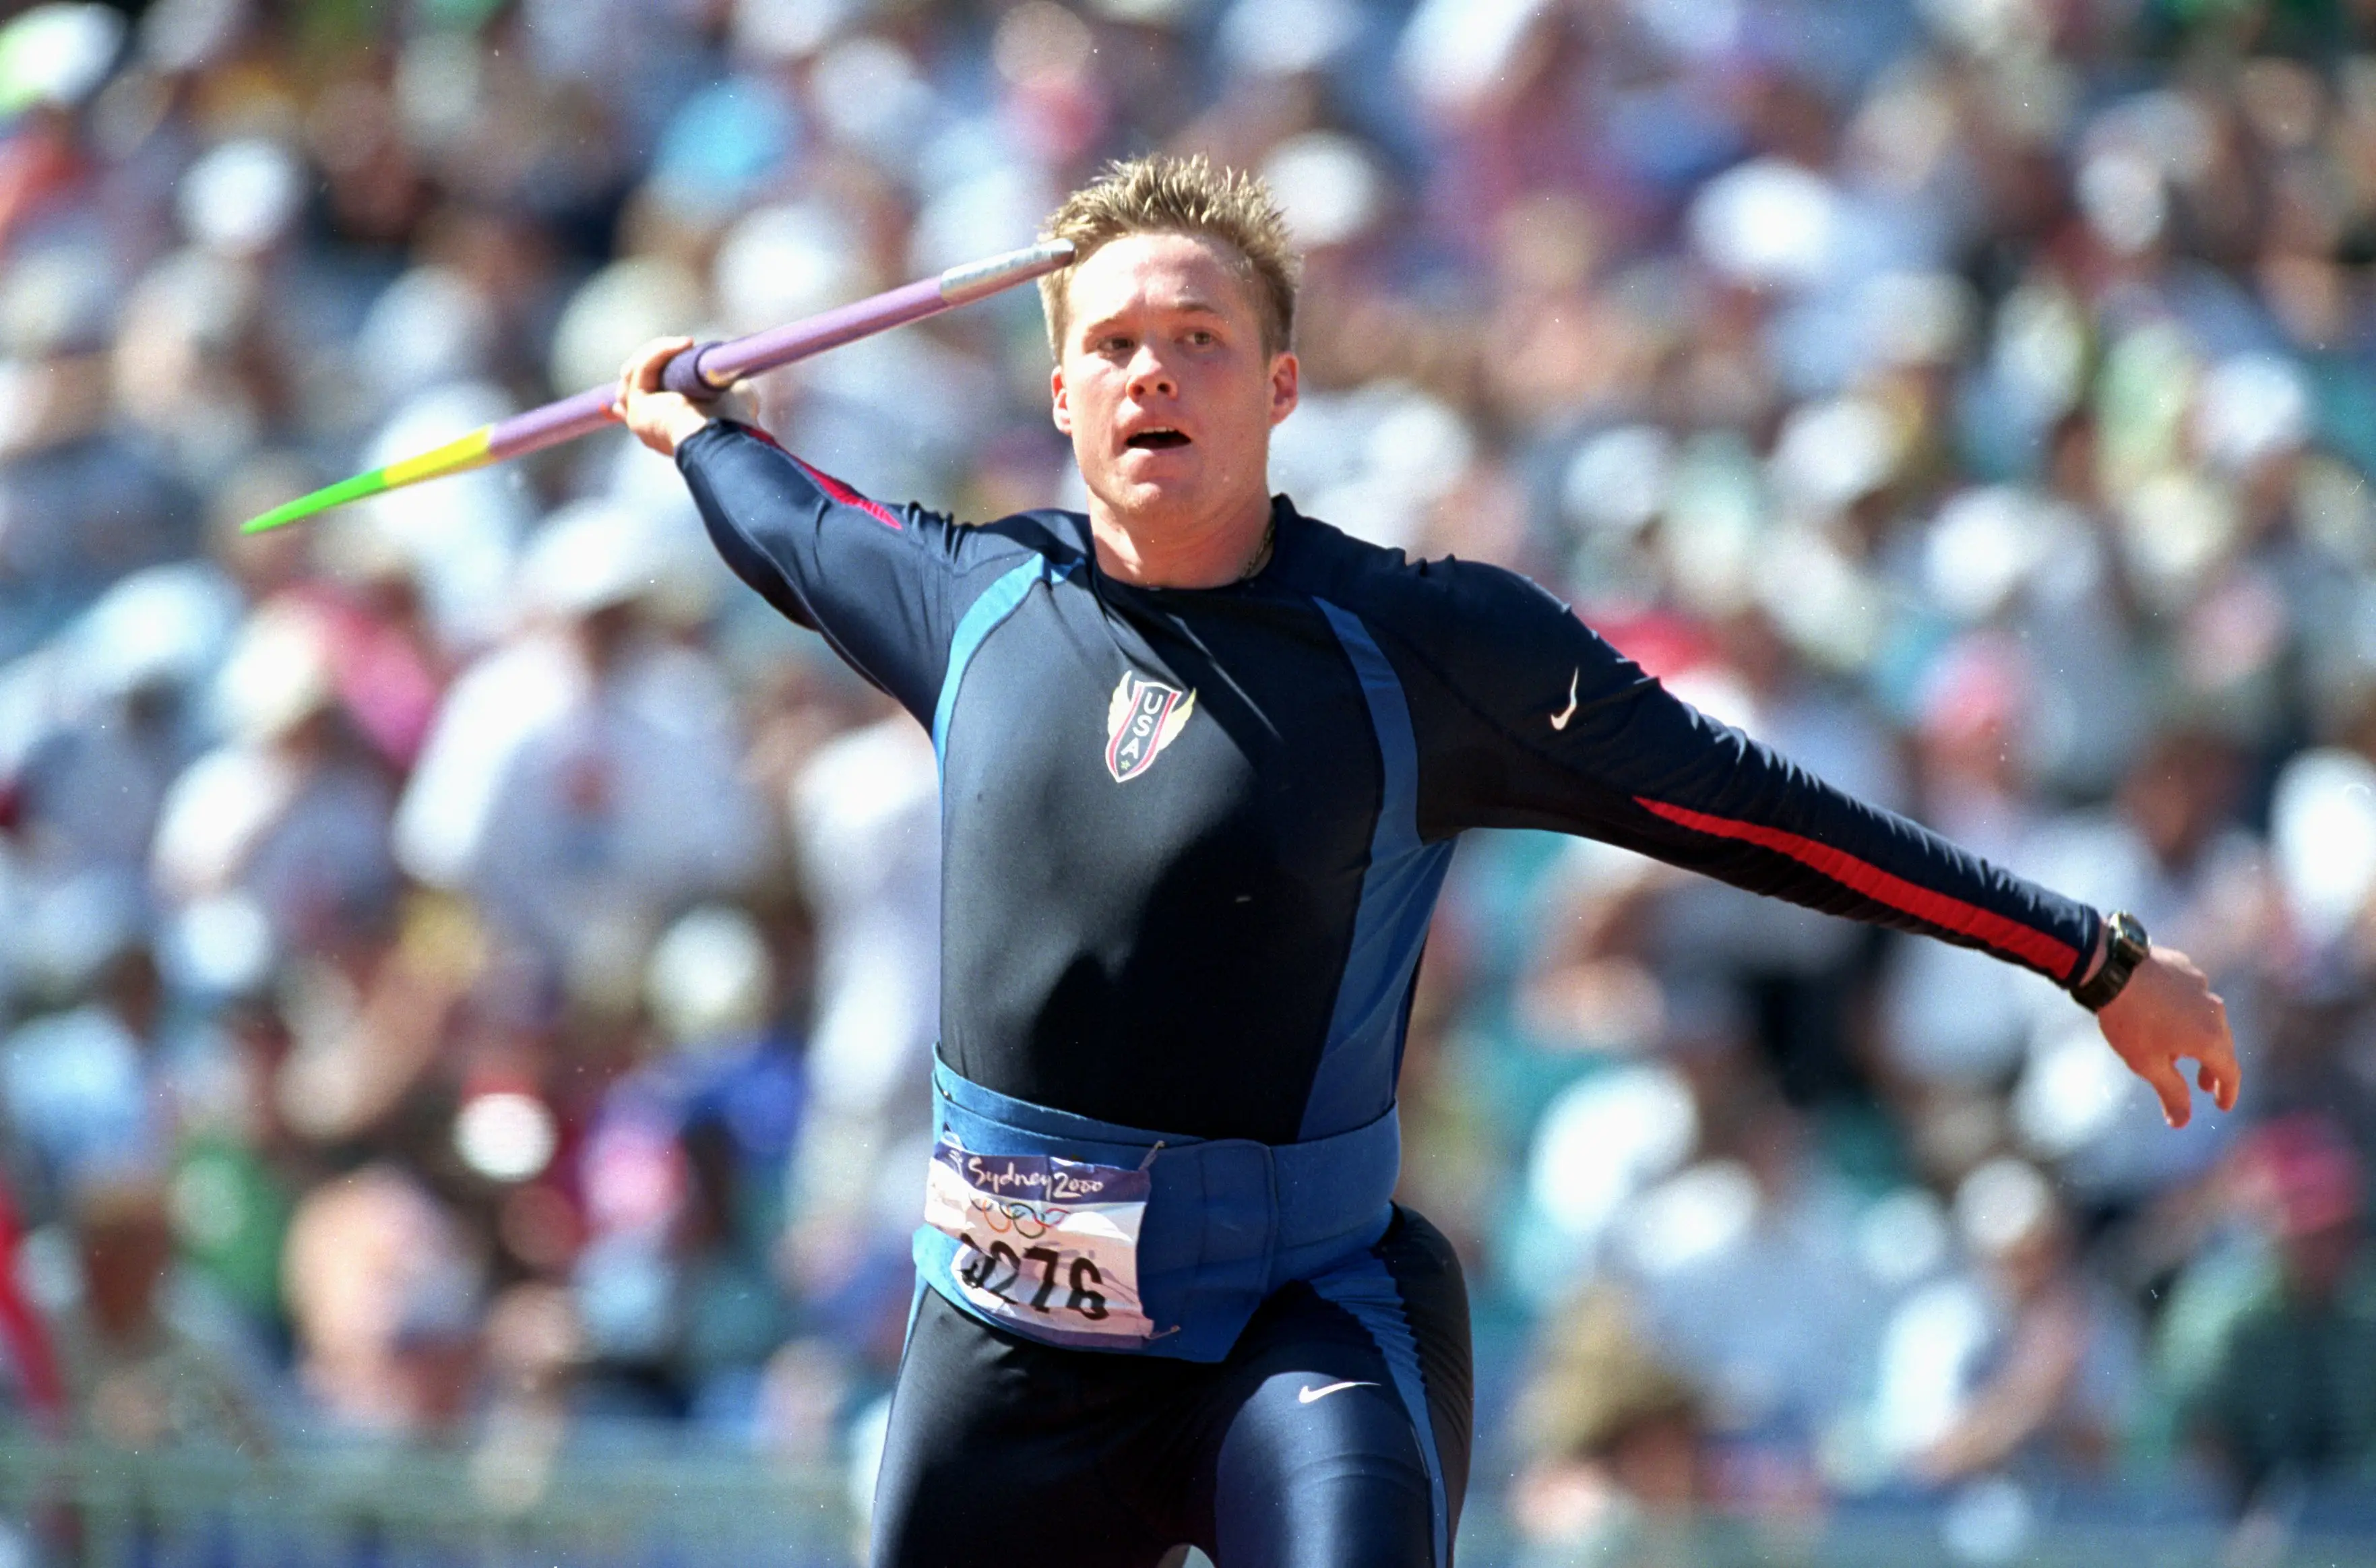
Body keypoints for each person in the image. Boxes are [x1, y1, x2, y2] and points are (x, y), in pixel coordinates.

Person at [614, 154, 2237, 1568]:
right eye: (1110, 345)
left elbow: (1756, 809)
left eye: (1198, 340)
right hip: (1006, 1351)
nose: (1150, 374)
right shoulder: (965, 598)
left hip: (1296, 1320)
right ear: (1059, 396)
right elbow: (781, 513)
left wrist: (2085, 955)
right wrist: (691, 424)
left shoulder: (1425, 643)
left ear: (1280, 387)